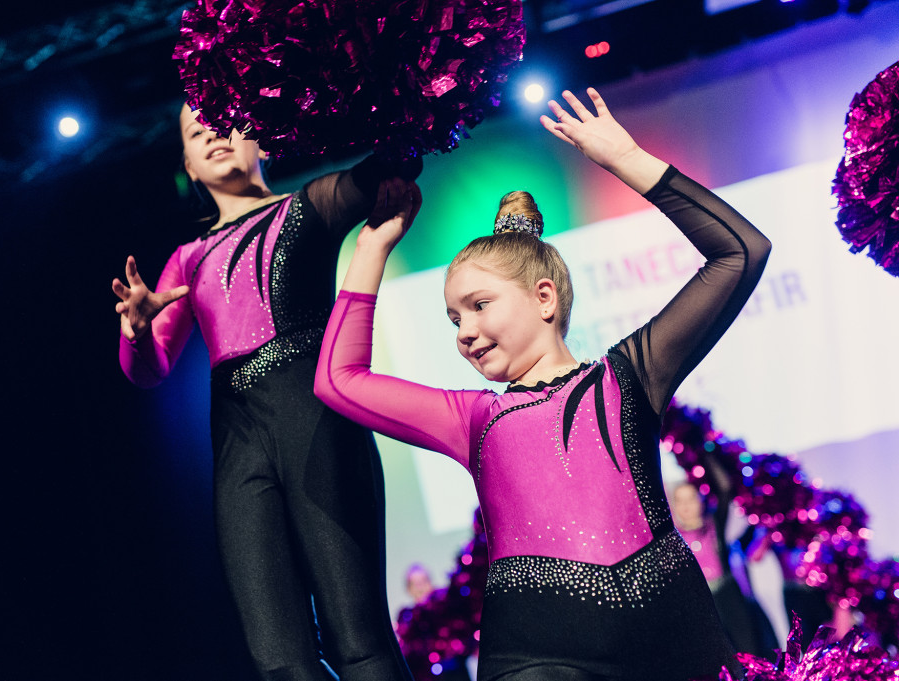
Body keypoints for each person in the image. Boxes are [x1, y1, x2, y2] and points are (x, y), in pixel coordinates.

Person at [315, 87, 772, 680]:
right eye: (454, 319)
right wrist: (372, 246)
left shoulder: (628, 378)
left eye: (478, 305)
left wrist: (626, 159)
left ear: (545, 297)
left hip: (673, 628)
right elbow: (338, 380)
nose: (466, 332)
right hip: (538, 647)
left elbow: (741, 252)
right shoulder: (473, 418)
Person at [111, 103, 419, 681]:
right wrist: (136, 331)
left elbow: (396, 164)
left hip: (317, 422)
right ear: (187, 166)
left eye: (222, 122)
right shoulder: (187, 259)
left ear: (261, 137)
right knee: (278, 660)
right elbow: (149, 370)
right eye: (195, 134)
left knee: (357, 639)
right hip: (237, 443)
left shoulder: (309, 207)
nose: (211, 137)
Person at [670, 479, 779, 660]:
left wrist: (699, 454)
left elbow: (724, 488)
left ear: (701, 499)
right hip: (703, 602)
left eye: (690, 499)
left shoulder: (714, 525)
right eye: (679, 500)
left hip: (728, 596)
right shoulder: (674, 537)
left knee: (749, 650)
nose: (685, 506)